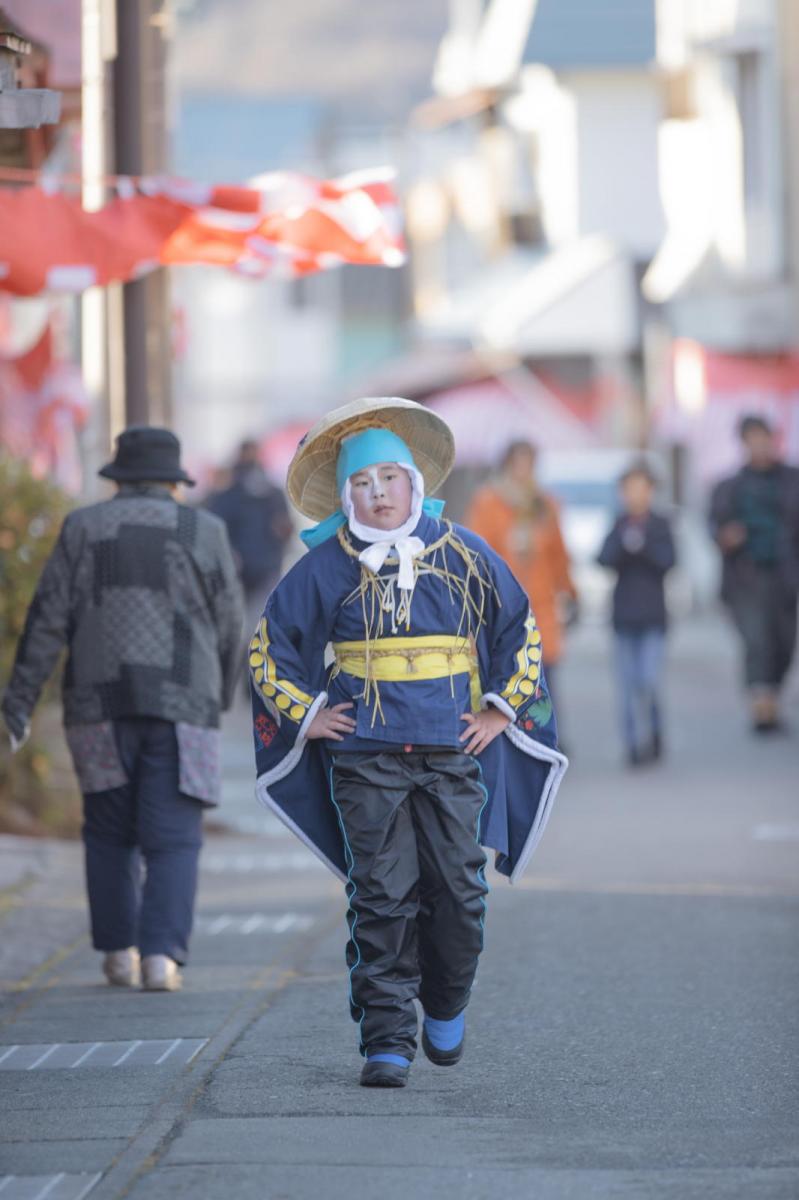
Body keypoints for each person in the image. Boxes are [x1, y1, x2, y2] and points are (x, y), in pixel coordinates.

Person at [248, 397, 568, 1089]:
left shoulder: (464, 552)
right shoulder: (326, 567)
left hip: (454, 752)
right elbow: (268, 650)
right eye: (361, 485)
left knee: (460, 892)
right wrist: (308, 714)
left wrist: (499, 711)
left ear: (413, 482)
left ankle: (447, 1003)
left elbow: (524, 632)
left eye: (389, 479)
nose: (378, 494)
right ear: (344, 495)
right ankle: (386, 1037)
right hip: (363, 757)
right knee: (381, 895)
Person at [1, 427, 243, 991]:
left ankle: (117, 953)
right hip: (185, 702)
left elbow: (47, 620)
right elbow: (232, 625)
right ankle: (161, 958)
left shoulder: (83, 527)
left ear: (120, 478)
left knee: (108, 832)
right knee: (176, 835)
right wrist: (221, 695)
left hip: (96, 704)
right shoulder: (203, 530)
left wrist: (18, 704)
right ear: (173, 481)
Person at [465, 440, 577, 699]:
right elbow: (477, 553)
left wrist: (570, 592)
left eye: (528, 465)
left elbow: (559, 555)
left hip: (541, 605)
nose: (523, 472)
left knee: (545, 678)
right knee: (506, 676)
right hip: (502, 603)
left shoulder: (544, 505)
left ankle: (548, 736)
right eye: (518, 465)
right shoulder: (489, 504)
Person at [709, 415, 799, 732]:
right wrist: (727, 536)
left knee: (784, 641)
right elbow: (714, 528)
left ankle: (772, 697)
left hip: (785, 576)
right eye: (753, 439)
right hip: (746, 577)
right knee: (756, 640)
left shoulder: (791, 480)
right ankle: (762, 708)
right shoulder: (729, 487)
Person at [597, 463, 676, 766]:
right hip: (623, 617)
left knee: (650, 679)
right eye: (629, 489)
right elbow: (602, 558)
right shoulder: (618, 523)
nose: (634, 495)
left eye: (640, 488)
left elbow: (670, 561)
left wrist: (641, 548)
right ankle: (632, 744)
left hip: (653, 616)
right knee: (626, 686)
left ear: (651, 491)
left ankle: (655, 733)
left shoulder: (660, 524)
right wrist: (624, 544)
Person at [206, 439, 293, 638]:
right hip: (244, 568)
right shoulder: (231, 493)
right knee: (249, 626)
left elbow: (285, 528)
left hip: (257, 568)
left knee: (250, 625)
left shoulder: (268, 493)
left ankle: (247, 661)